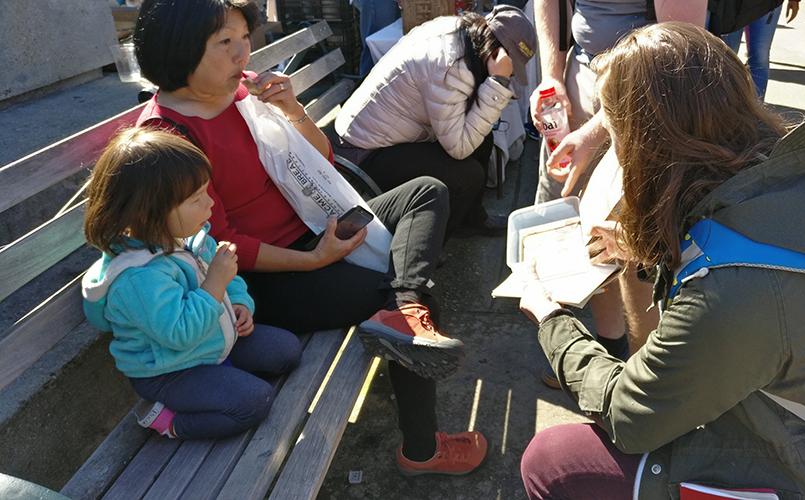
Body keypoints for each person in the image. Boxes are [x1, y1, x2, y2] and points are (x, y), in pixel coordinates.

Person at [519, 22, 805, 498]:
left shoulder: (734, 289)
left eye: (616, 141)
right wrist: (651, 251)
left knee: (552, 462)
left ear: (649, 148)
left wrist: (552, 320)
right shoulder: (787, 180)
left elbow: (630, 415)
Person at [132, 0, 489, 475]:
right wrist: (315, 260)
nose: (244, 54)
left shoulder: (240, 94)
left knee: (426, 194)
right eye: (226, 43)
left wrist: (292, 110)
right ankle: (421, 452)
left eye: (244, 38)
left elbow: (319, 161)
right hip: (261, 279)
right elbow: (219, 244)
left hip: (315, 227)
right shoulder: (168, 138)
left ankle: (406, 308)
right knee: (402, 294)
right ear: (179, 50)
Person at [527, 0, 706, 388]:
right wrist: (551, 76)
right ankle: (608, 352)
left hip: (650, 95)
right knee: (595, 237)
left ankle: (644, 383)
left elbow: (679, 55)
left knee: (636, 248)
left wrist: (595, 132)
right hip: (596, 81)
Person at [81, 128, 303, 440]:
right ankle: (169, 422)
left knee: (287, 351)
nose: (210, 204)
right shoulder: (138, 279)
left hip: (212, 341)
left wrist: (240, 303)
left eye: (206, 192)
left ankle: (221, 381)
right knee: (255, 402)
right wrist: (215, 282)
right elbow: (179, 334)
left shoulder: (188, 238)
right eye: (196, 199)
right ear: (149, 211)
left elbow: (230, 282)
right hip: (172, 370)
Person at [334, 6, 537, 239]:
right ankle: (432, 243)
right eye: (511, 69)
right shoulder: (450, 67)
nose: (510, 75)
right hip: (364, 152)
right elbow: (459, 148)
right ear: (495, 55)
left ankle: (472, 218)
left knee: (483, 137)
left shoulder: (462, 32)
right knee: (468, 174)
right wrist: (498, 84)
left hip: (382, 133)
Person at [722, 1, 799, 100]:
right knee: (726, 57)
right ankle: (722, 106)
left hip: (767, 5)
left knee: (760, 58)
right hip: (732, 5)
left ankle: (756, 110)